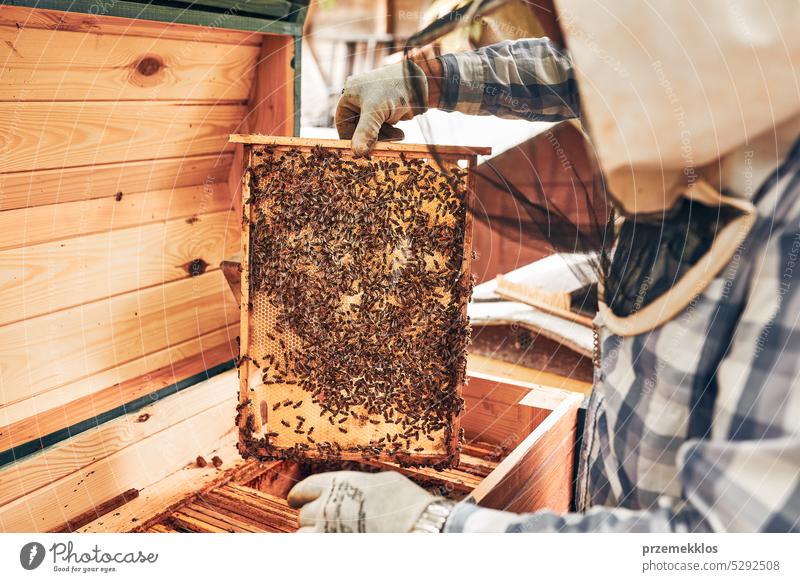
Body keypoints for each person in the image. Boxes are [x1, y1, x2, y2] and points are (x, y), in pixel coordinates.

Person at [288, 1, 800, 532]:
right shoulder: (688, 84)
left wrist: (437, 529)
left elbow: (730, 551)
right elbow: (582, 65)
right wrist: (421, 78)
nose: (568, 43)